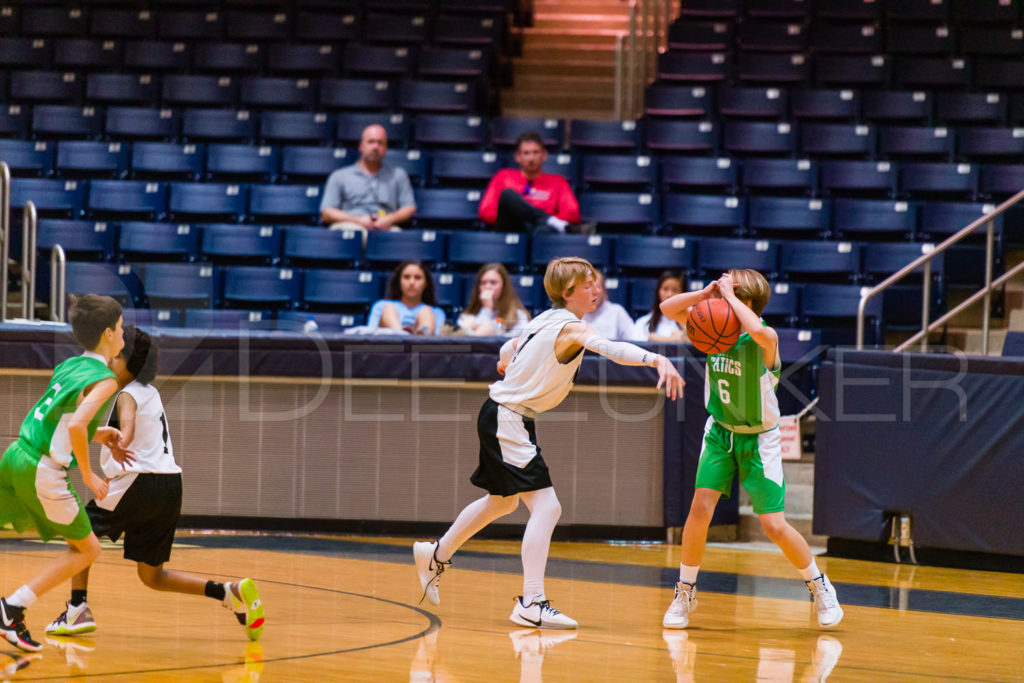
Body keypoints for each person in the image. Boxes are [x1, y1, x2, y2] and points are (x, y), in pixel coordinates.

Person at [413, 257, 684, 629]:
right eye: (588, 284)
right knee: (548, 507)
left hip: (505, 415)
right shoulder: (572, 328)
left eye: (596, 282)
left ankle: (435, 554)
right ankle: (532, 601)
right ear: (568, 292)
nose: (596, 289)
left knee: (503, 502)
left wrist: (508, 361)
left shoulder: (543, 319)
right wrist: (657, 360)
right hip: (509, 417)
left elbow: (508, 348)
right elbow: (610, 348)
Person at [44, 326, 265, 643]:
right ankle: (227, 593)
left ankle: (77, 608)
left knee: (78, 531)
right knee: (152, 575)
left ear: (128, 363)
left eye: (114, 355)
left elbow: (129, 418)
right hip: (170, 487)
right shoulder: (151, 392)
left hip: (139, 482)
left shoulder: (127, 393)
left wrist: (123, 436)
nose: (108, 360)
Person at [658, 269, 843, 630]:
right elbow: (667, 308)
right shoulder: (714, 331)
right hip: (720, 432)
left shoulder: (765, 338)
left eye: (731, 293)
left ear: (747, 303)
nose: (720, 299)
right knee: (699, 510)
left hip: (760, 438)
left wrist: (728, 297)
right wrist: (706, 292)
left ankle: (819, 586)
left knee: (774, 525)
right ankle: (684, 591)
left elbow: (757, 330)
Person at [0, 294, 128, 652]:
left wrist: (97, 433)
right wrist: (88, 474)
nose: (122, 335)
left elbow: (63, 417)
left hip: (16, 454)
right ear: (107, 333)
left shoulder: (71, 365)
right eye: (119, 328)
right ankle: (11, 608)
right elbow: (74, 426)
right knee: (87, 549)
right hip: (42, 470)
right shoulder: (106, 379)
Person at [319, 124, 417, 245]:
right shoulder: (339, 176)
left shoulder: (398, 175)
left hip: (386, 228)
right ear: (361, 146)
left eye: (380, 143)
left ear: (386, 148)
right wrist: (358, 221)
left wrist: (389, 219)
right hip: (350, 226)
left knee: (406, 245)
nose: (375, 146)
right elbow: (327, 212)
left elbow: (409, 208)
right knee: (360, 237)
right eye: (371, 142)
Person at [478, 131, 591, 236]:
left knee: (543, 231)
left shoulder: (558, 182)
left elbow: (572, 213)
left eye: (535, 152)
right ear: (518, 156)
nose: (531, 158)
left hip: (541, 231)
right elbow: (486, 211)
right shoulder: (503, 177)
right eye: (526, 153)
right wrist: (526, 217)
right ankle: (547, 220)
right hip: (510, 228)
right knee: (507, 195)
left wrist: (538, 222)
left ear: (544, 155)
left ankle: (546, 221)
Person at [368, 260, 447, 335]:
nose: (411, 282)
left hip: (421, 348)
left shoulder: (437, 313)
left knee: (426, 312)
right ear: (399, 281)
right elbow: (369, 337)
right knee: (388, 309)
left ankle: (413, 338)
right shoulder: (380, 306)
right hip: (390, 348)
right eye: (406, 277)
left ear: (426, 283)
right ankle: (402, 336)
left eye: (417, 277)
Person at [456, 263, 531, 337]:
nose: (487, 286)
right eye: (483, 283)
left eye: (493, 282)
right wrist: (487, 310)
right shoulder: (467, 317)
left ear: (504, 287)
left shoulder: (519, 317)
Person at [582, 270, 638, 341]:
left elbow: (634, 340)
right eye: (588, 287)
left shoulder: (617, 312)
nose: (593, 292)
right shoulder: (575, 313)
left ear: (604, 290)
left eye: (597, 287)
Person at [634, 270, 687, 343]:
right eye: (665, 289)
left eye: (675, 290)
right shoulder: (642, 323)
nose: (669, 294)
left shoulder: (691, 320)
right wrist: (673, 340)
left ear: (683, 293)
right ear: (658, 291)